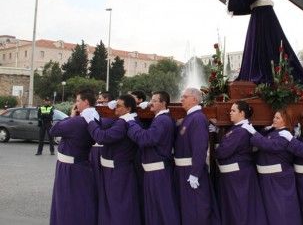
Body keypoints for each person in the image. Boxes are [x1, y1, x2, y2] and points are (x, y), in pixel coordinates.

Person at [124, 91, 180, 225]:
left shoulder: (162, 120)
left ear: (163, 103)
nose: (151, 103)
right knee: (154, 210)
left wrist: (131, 122)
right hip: (154, 171)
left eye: (155, 101)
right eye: (151, 100)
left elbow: (145, 139)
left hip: (159, 172)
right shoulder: (160, 119)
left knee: (163, 209)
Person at [86, 94, 141, 225]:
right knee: (111, 205)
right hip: (113, 170)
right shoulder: (125, 119)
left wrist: (91, 122)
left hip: (117, 171)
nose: (115, 108)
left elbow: (103, 137)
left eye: (118, 106)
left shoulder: (123, 123)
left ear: (128, 108)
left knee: (117, 206)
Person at [242, 109, 302, 225]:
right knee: (270, 211)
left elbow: (269, 146)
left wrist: (254, 132)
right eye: (274, 117)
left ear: (285, 121)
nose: (274, 119)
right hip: (268, 178)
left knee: (281, 210)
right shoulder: (272, 132)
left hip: (279, 179)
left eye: (278, 118)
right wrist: (264, 130)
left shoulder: (285, 134)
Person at [214, 100, 267, 225]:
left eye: (233, 110)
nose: (230, 113)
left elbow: (223, 151)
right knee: (234, 210)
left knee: (240, 210)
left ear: (242, 113)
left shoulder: (242, 130)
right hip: (233, 176)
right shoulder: (237, 128)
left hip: (238, 177)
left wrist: (217, 149)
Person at [49, 89, 97, 225]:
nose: (76, 104)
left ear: (86, 102)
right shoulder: (95, 118)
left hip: (68, 168)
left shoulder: (77, 121)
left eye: (77, 101)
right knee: (81, 200)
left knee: (66, 201)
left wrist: (71, 116)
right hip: (82, 165)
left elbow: (54, 130)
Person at [174, 87, 220, 225]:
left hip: (191, 171)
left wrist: (195, 173)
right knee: (188, 208)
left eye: (184, 96)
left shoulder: (198, 118)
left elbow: (200, 148)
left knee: (196, 208)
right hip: (183, 170)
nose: (181, 99)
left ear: (194, 99)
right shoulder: (190, 117)